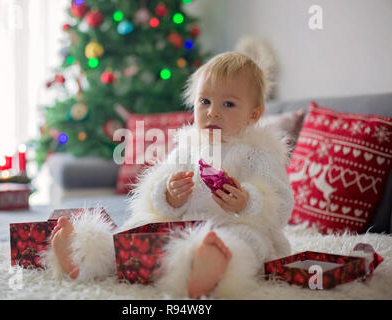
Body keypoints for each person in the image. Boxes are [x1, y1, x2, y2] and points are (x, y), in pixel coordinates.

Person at [43, 51, 295, 299]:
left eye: (228, 104)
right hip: (182, 224)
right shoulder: (188, 147)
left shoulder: (260, 152)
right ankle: (85, 256)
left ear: (254, 114)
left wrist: (248, 202)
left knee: (245, 243)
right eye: (204, 102)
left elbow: (281, 203)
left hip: (236, 226)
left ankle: (209, 267)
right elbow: (155, 189)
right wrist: (168, 194)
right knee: (137, 230)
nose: (213, 112)